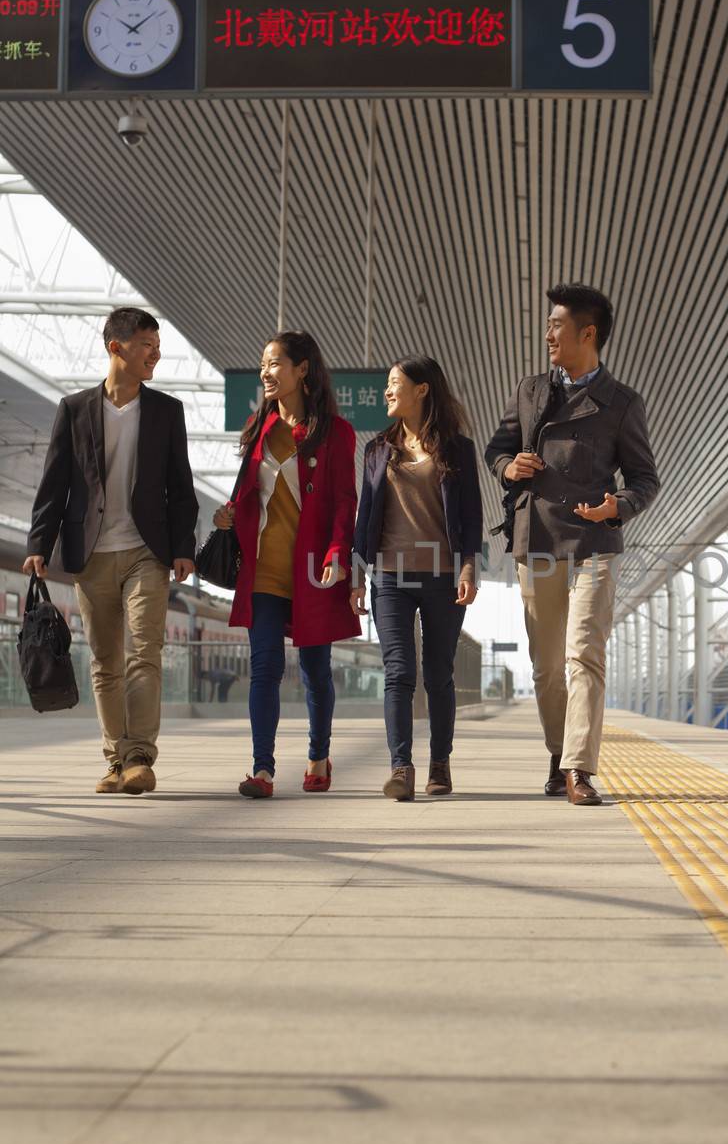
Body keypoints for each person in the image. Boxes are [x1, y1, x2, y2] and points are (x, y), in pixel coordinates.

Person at [485, 283, 659, 806]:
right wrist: (507, 466)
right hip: (536, 537)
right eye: (548, 324)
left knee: (584, 653)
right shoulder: (530, 390)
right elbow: (498, 449)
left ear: (589, 334)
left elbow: (645, 479)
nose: (547, 333)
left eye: (556, 325)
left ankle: (578, 769)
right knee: (545, 663)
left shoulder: (623, 403)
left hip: (594, 540)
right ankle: (559, 752)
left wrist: (619, 507)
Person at [23, 306, 198, 795]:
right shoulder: (75, 409)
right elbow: (54, 482)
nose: (155, 354)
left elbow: (180, 487)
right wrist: (40, 543)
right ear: (115, 347)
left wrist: (183, 547)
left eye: (157, 346)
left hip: (147, 549)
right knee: (106, 661)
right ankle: (115, 760)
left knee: (144, 652)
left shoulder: (167, 411)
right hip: (91, 551)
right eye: (146, 344)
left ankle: (140, 754)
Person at [212, 331, 358, 798]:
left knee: (316, 668)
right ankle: (263, 769)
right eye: (262, 365)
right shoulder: (259, 426)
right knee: (265, 667)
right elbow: (248, 493)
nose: (265, 372)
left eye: (275, 363)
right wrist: (228, 514)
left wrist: (339, 553)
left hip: (315, 571)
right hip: (265, 569)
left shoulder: (336, 433)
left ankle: (318, 755)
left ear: (302, 370)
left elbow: (343, 503)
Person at [352, 357, 482, 801]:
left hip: (443, 576)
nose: (387, 392)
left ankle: (440, 764)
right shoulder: (376, 450)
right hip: (389, 576)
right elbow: (364, 515)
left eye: (394, 384)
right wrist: (356, 574)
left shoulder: (457, 449)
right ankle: (401, 767)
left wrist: (469, 565)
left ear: (422, 390)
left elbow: (471, 515)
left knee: (438, 675)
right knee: (398, 673)